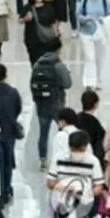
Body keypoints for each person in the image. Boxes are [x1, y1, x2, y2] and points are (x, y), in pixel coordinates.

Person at [48, 130, 104, 218]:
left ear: (85, 147)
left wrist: (87, 194)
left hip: (84, 206)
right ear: (69, 146)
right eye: (74, 149)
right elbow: (50, 183)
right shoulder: (59, 158)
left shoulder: (92, 161)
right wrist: (67, 188)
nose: (77, 152)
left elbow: (99, 186)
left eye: (80, 149)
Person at [30, 37, 73, 170]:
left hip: (41, 104)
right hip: (57, 104)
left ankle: (43, 161)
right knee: (63, 132)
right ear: (58, 48)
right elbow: (67, 84)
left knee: (43, 133)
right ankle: (64, 158)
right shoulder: (58, 64)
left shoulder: (37, 63)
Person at [0, 64, 22, 206]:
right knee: (8, 161)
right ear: (6, 75)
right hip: (9, 131)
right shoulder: (13, 92)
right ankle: (7, 190)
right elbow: (18, 109)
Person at [77, 0, 110, 90]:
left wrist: (105, 20)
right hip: (86, 33)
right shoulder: (84, 1)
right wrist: (85, 19)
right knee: (89, 57)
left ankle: (98, 80)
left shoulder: (104, 1)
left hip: (101, 33)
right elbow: (78, 15)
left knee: (100, 58)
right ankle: (89, 83)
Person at [20, 0, 58, 65]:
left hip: (46, 39)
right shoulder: (28, 7)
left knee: (46, 61)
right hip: (31, 39)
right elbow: (20, 20)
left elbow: (53, 22)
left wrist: (56, 35)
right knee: (34, 61)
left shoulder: (48, 7)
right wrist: (25, 18)